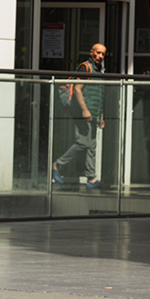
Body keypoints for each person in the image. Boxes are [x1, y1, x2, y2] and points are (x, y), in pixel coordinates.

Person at [53, 43, 107, 190]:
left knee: (92, 146)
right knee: (83, 142)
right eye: (98, 53)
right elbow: (77, 89)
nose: (100, 56)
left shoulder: (100, 70)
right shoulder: (86, 67)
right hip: (82, 112)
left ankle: (91, 178)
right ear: (91, 52)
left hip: (93, 113)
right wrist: (84, 110)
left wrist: (100, 116)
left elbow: (99, 94)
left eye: (102, 54)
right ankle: (58, 165)